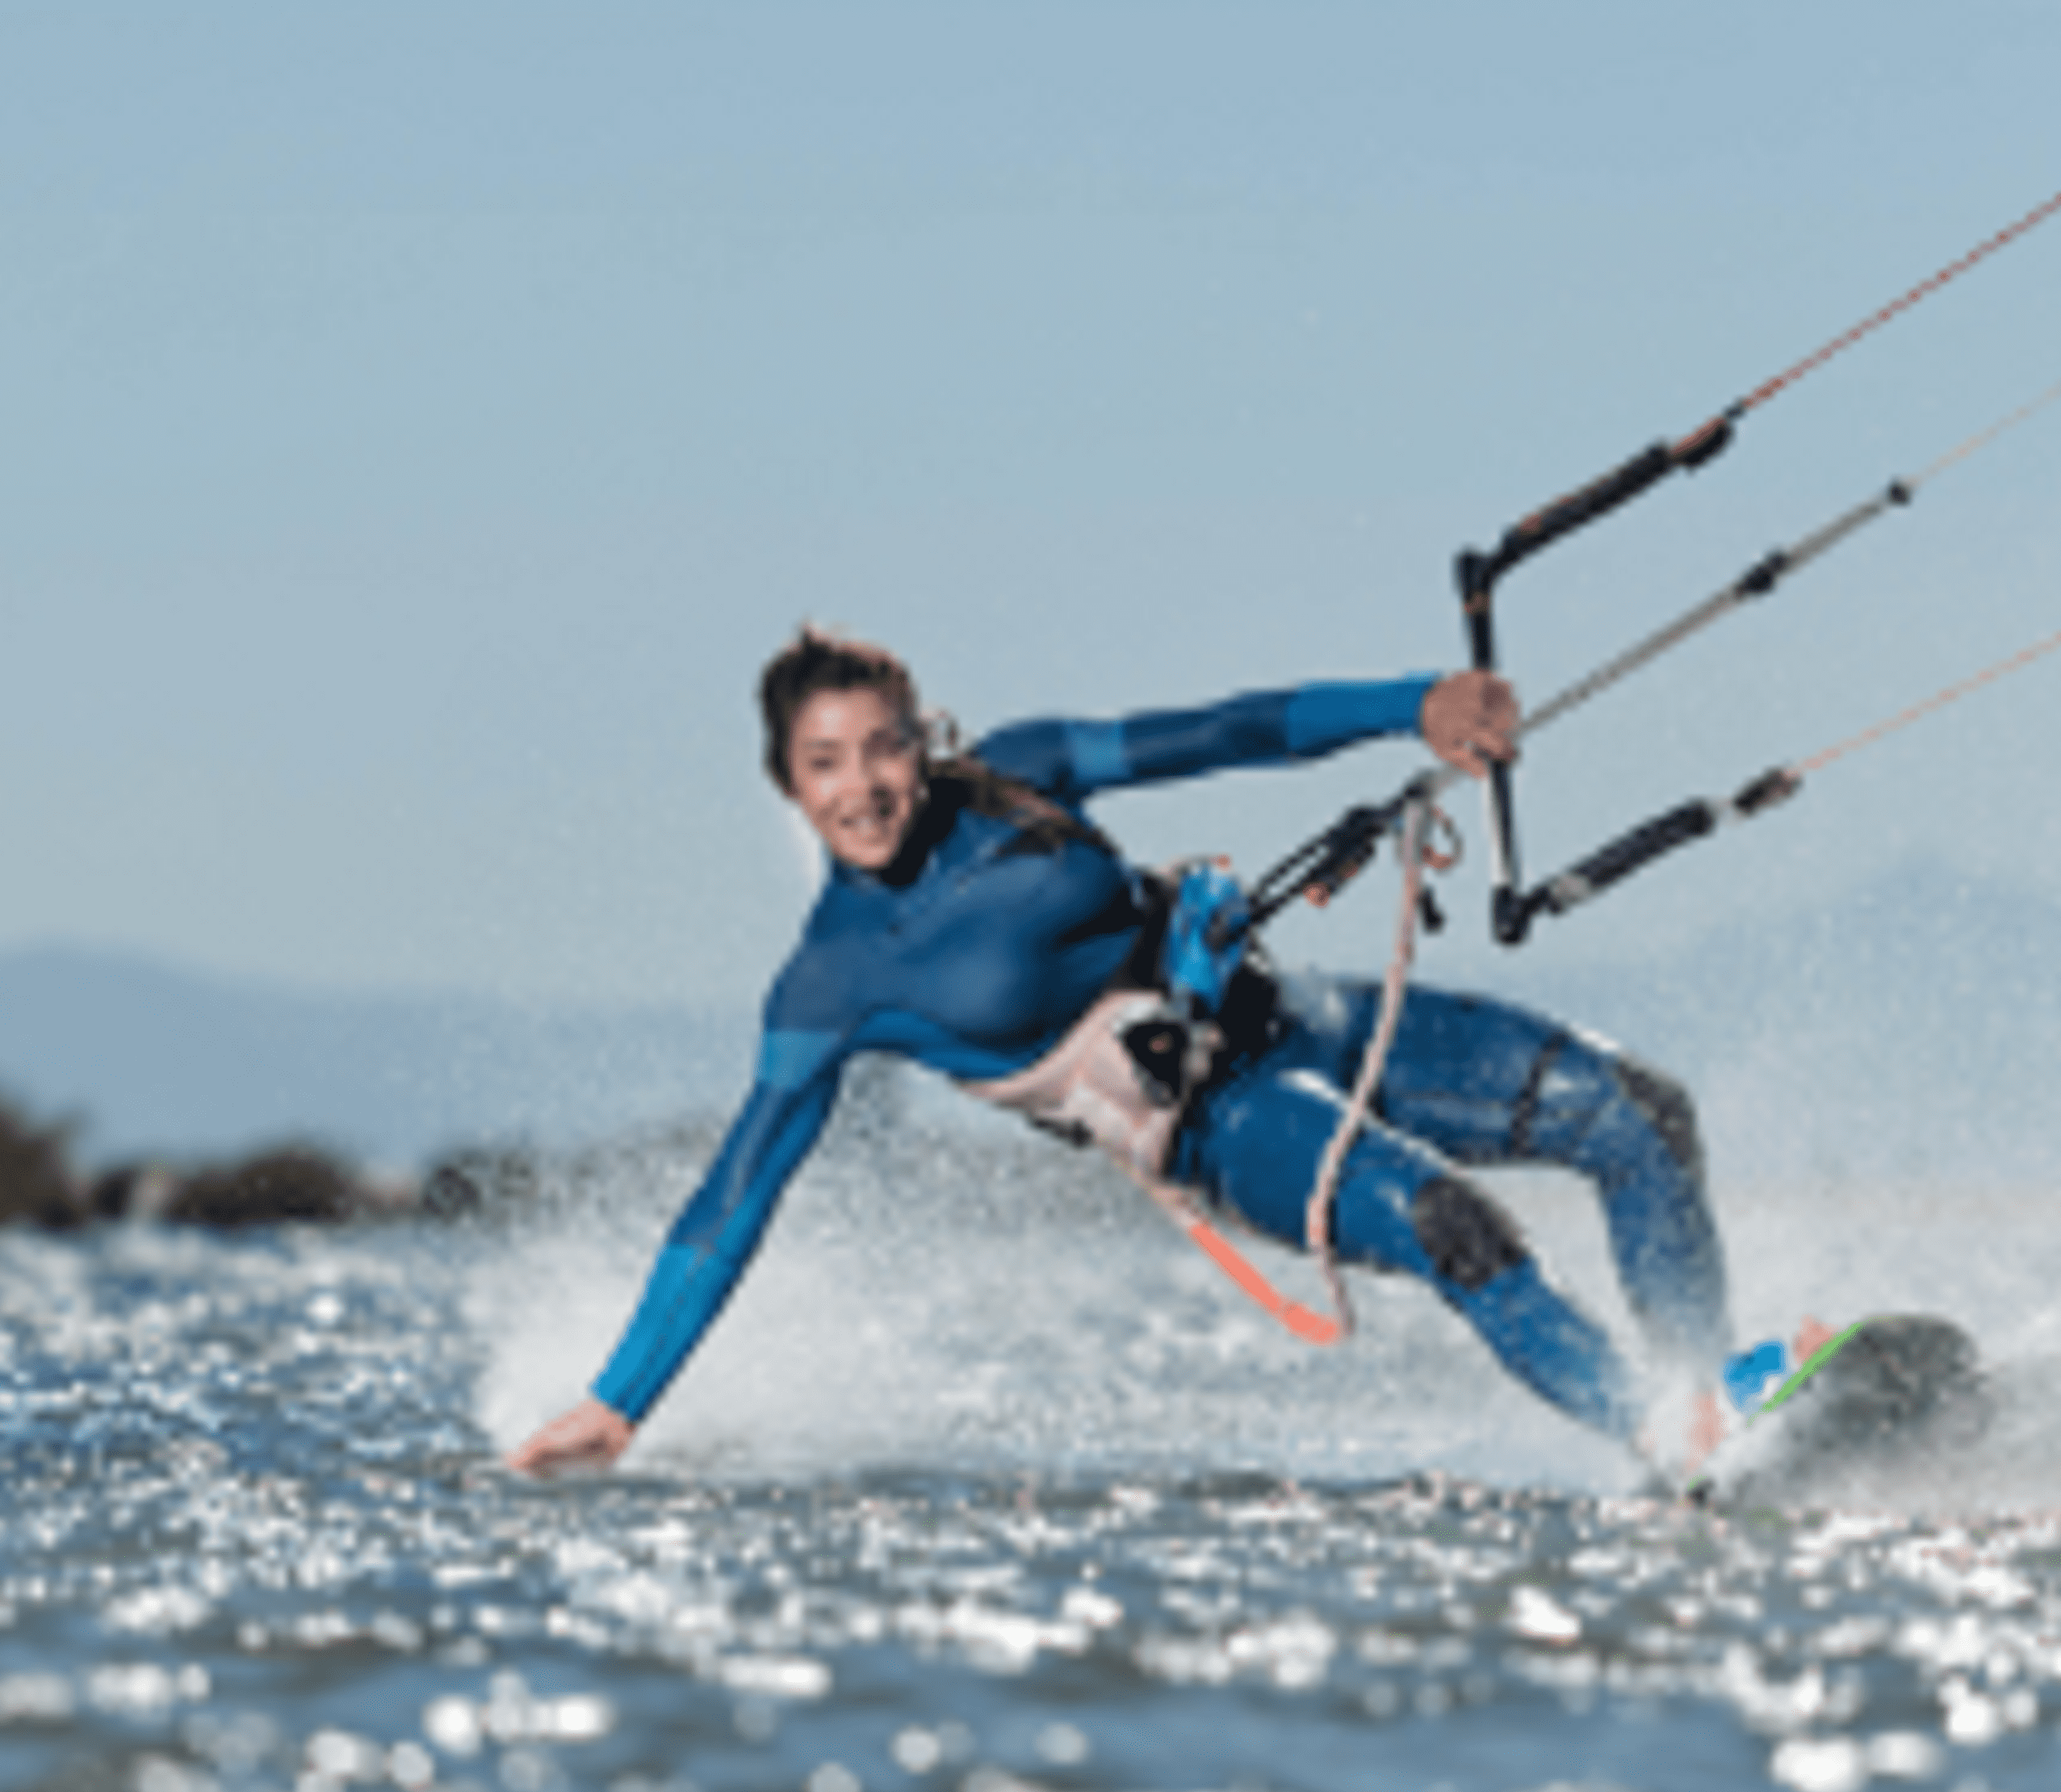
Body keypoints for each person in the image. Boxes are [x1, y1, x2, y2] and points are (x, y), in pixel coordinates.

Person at [507, 626, 1763, 1481]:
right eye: (826, 764)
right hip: (1224, 1129)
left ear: (924, 738)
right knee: (1457, 1229)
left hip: (1300, 1017)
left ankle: (1717, 1396)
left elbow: (1223, 730)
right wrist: (620, 1402)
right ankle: (1665, 1437)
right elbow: (733, 1200)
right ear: (787, 783)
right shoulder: (833, 983)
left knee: (1640, 1112)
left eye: (885, 747)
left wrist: (1411, 710)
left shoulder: (1023, 776)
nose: (866, 787)